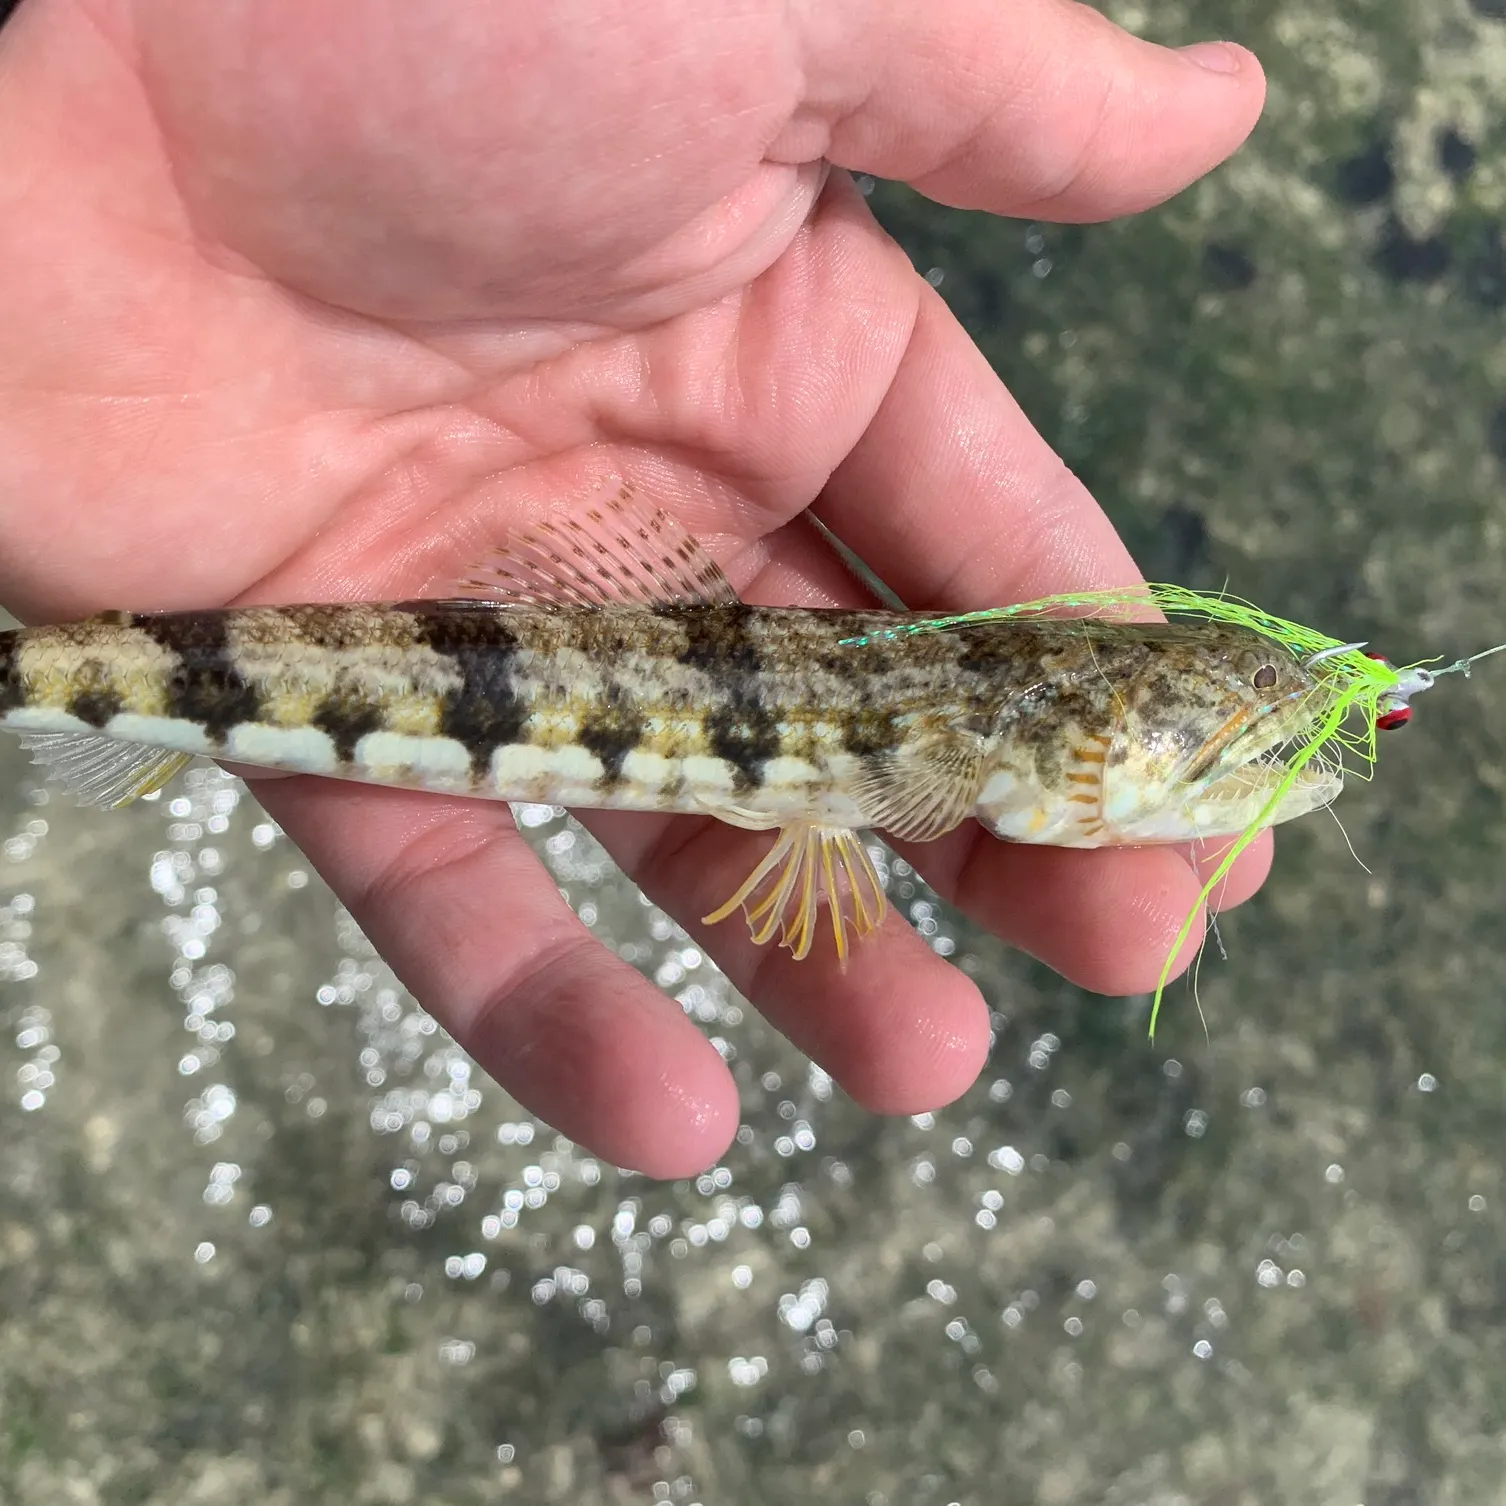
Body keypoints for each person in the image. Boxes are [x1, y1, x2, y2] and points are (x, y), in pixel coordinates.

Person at [0, 0, 1269, 1175]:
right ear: (1062, 739)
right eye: (1219, 728)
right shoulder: (924, 766)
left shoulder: (930, 753)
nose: (1255, 746)